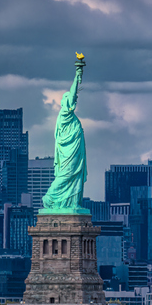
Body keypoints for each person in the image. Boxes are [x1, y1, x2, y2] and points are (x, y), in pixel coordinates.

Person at [41, 58, 87, 211]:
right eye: (71, 99)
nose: (75, 100)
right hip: (69, 152)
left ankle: (72, 202)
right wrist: (77, 75)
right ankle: (51, 197)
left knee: (74, 175)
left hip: (75, 151)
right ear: (66, 102)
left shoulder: (70, 117)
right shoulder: (64, 114)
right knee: (66, 175)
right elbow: (73, 93)